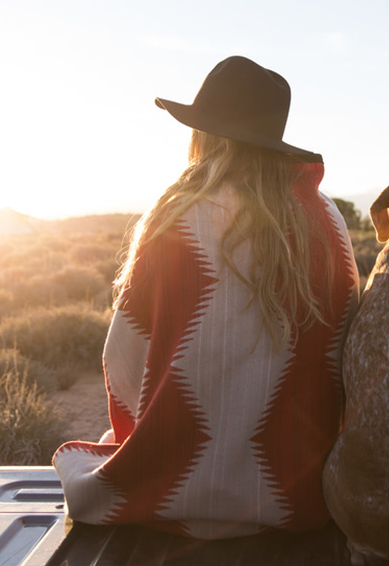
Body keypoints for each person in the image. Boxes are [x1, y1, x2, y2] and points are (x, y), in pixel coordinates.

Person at [53, 56, 360, 539]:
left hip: (166, 490)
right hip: (299, 496)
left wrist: (155, 434)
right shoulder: (326, 223)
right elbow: (343, 351)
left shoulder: (177, 216)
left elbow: (123, 358)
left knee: (99, 459)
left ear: (203, 134)